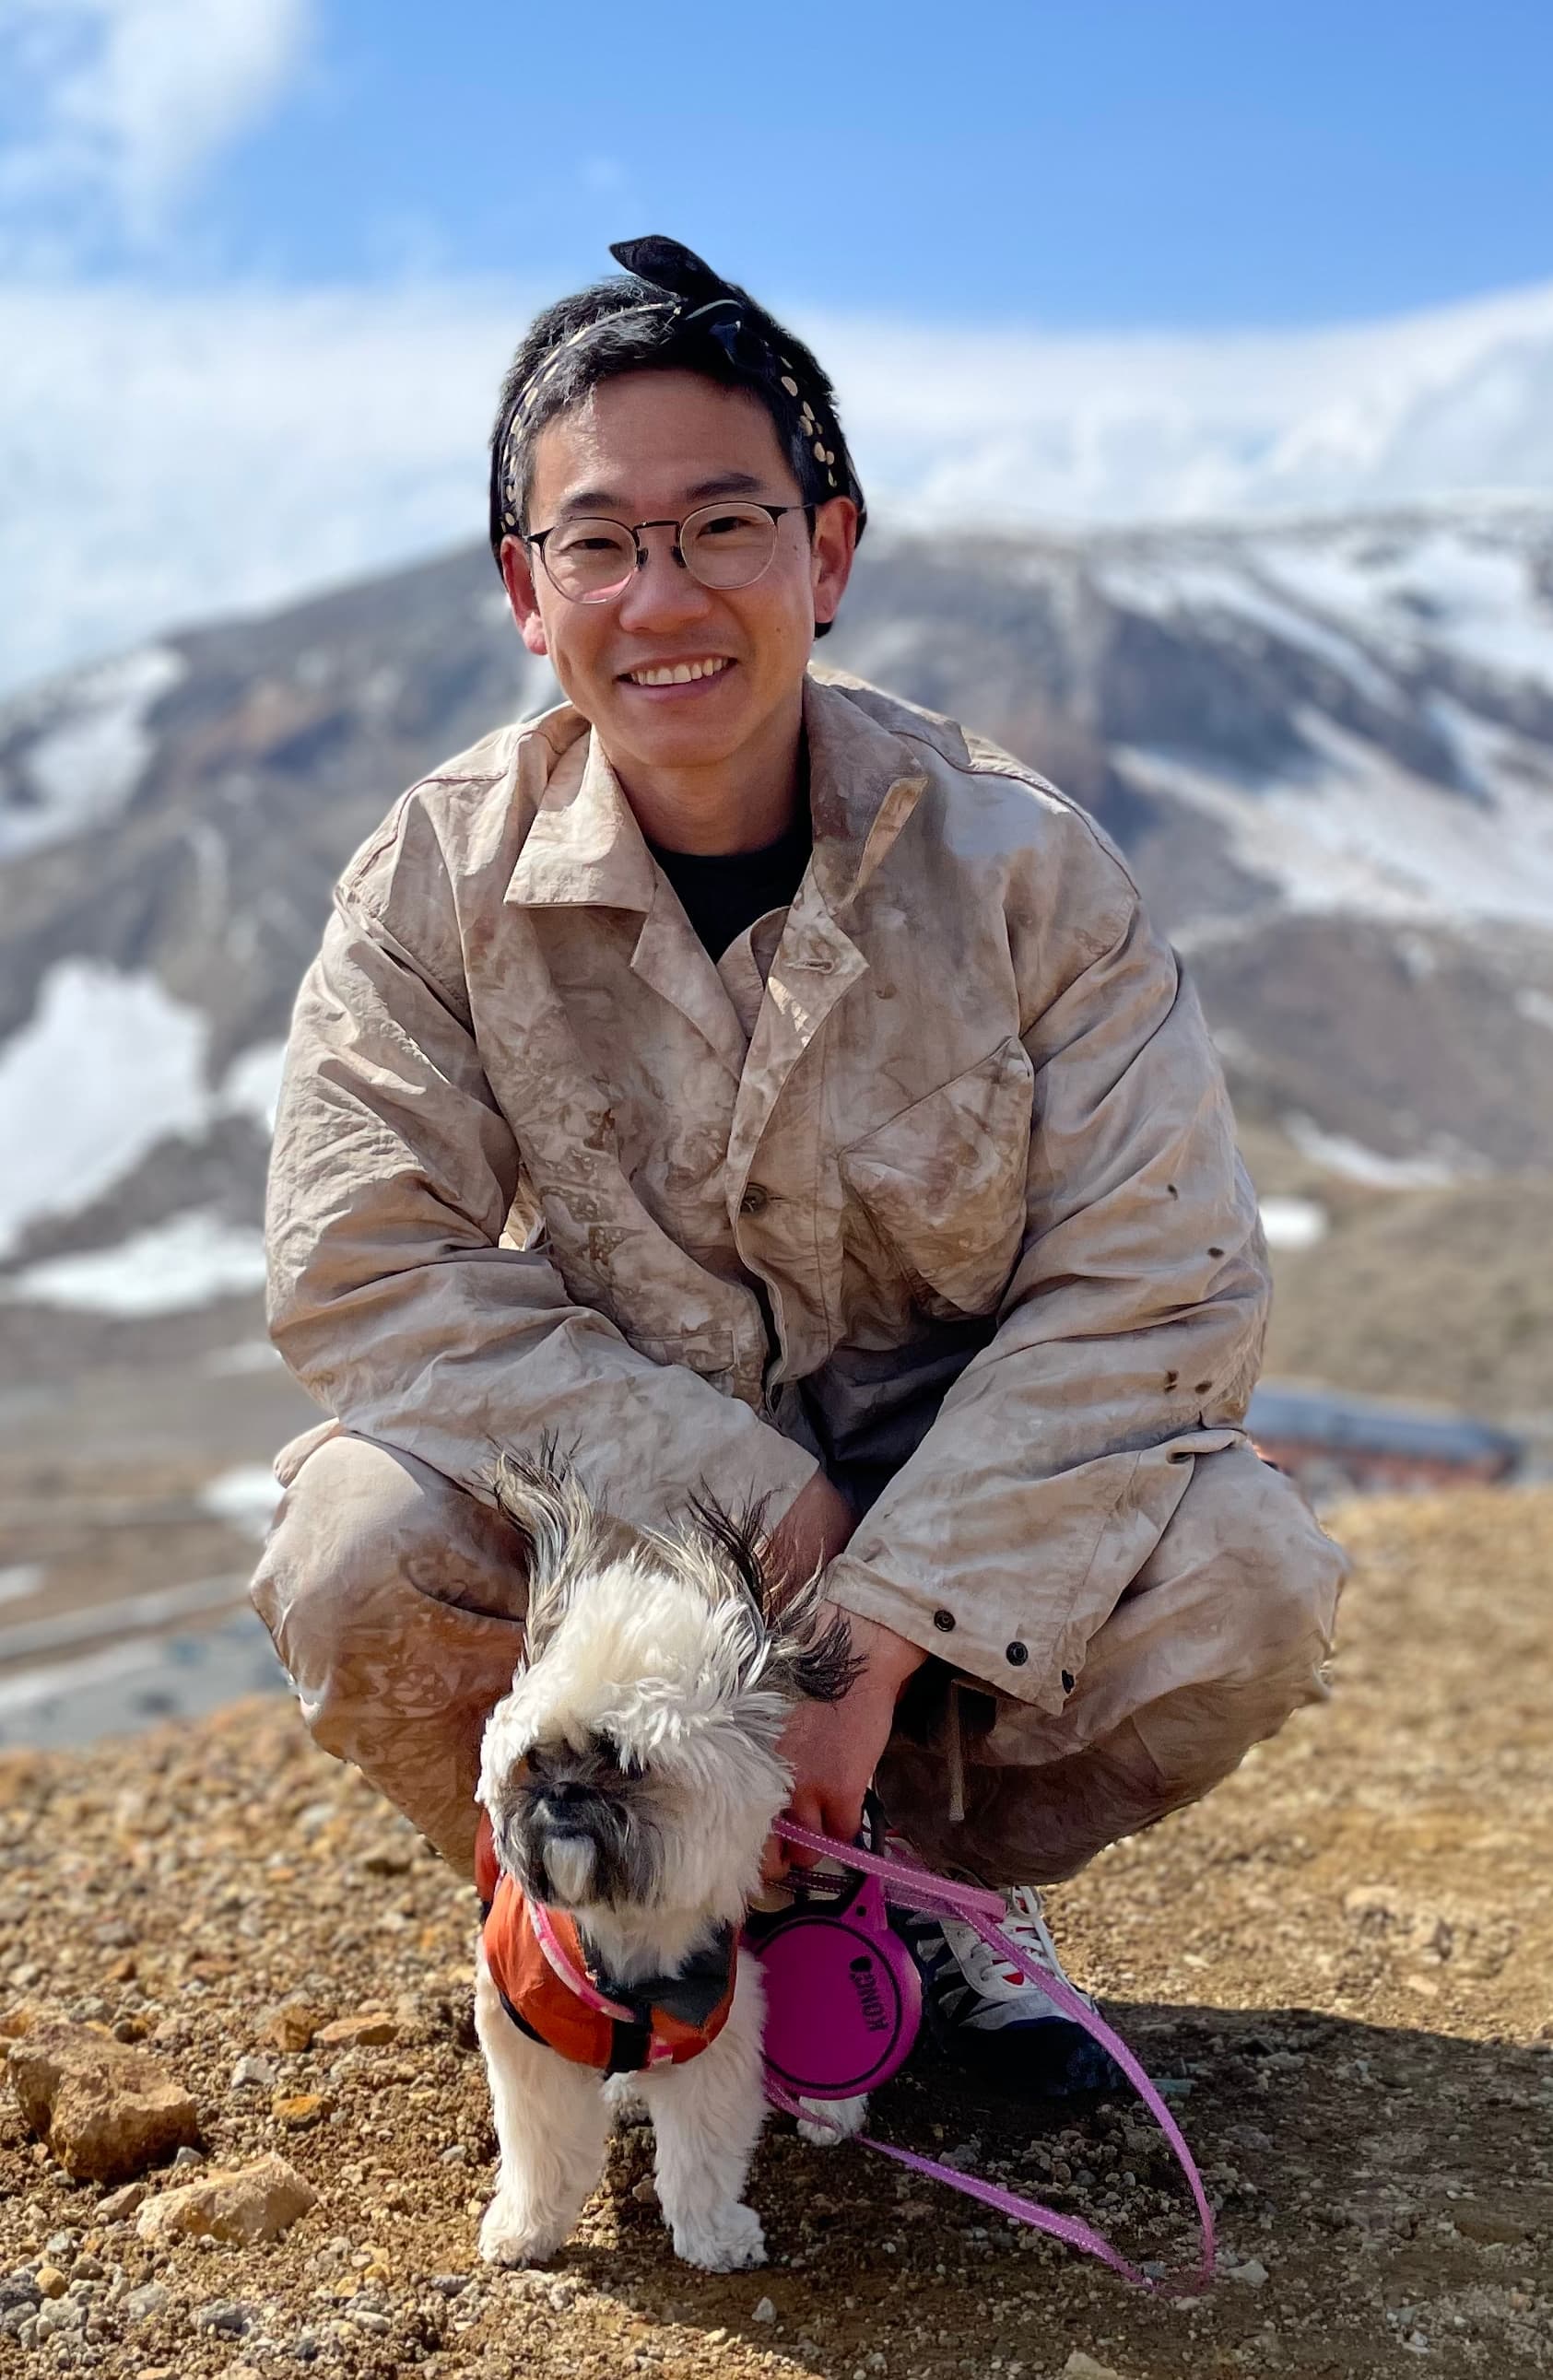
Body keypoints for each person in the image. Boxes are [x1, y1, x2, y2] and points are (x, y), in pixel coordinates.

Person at [252, 235, 1346, 2093]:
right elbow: (361, 1264)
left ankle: (907, 1892)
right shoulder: (430, 882)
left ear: (827, 552)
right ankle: (616, 1911)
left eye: (723, 526)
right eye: (599, 541)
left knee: (1244, 1567)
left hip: (959, 1583)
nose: (659, 592)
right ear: (530, 589)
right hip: (617, 1562)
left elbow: (1159, 1283)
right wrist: (747, 1496)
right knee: (355, 1543)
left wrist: (880, 1621)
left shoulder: (1021, 872)